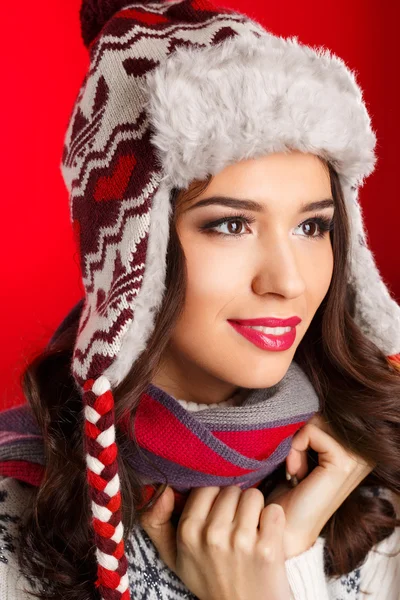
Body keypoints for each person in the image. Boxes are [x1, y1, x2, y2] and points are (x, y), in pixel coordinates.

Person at [0, 0, 399, 599]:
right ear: (134, 251)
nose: (288, 281)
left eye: (312, 227)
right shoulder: (19, 521)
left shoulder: (374, 488)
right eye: (231, 225)